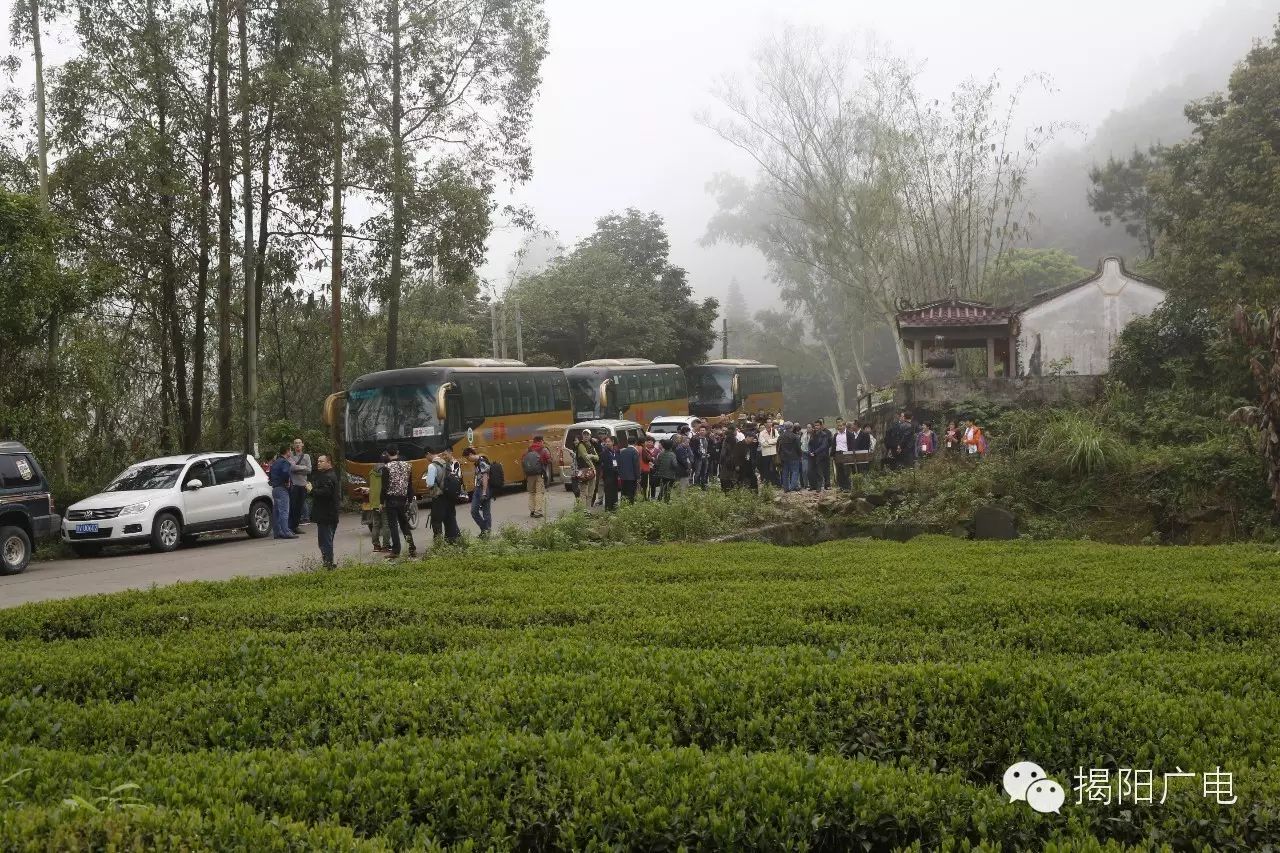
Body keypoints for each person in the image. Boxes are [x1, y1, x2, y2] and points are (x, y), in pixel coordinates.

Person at [380, 446, 417, 559]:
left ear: (387, 454)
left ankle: (396, 550)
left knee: (393, 526)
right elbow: (410, 486)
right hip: (403, 499)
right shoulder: (407, 466)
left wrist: (381, 502)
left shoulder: (386, 468)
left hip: (391, 500)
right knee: (404, 524)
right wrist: (410, 500)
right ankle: (412, 548)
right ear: (398, 452)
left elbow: (384, 487)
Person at [423, 450, 461, 544]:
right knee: (450, 518)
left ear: (428, 454)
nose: (426, 458)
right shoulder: (446, 462)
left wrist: (428, 481)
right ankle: (453, 542)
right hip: (450, 495)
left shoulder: (432, 466)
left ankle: (438, 544)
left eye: (425, 456)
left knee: (436, 521)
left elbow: (430, 483)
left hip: (439, 497)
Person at [310, 454, 340, 569]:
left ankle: (328, 564)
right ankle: (327, 562)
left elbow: (325, 493)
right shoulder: (328, 475)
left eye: (321, 461)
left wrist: (312, 490)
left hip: (326, 515)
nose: (319, 463)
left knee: (325, 541)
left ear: (329, 463)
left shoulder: (328, 476)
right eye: (318, 461)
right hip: (328, 514)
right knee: (325, 541)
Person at [359, 451, 391, 552]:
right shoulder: (387, 471)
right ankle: (386, 546)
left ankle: (376, 546)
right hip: (383, 500)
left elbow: (372, 486)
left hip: (373, 501)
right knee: (386, 524)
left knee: (376, 524)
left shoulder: (371, 472)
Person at [462, 447, 492, 536]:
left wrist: (484, 492)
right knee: (474, 511)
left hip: (483, 489)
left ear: (471, 455)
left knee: (486, 512)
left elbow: (485, 477)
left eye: (467, 457)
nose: (468, 460)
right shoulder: (477, 462)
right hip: (478, 488)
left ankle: (486, 532)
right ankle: (485, 529)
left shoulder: (482, 461)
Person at [268, 447, 295, 539]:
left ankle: (277, 531)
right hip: (282, 488)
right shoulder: (285, 462)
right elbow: (285, 472)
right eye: (290, 450)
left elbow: (270, 474)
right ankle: (286, 531)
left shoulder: (275, 462)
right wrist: (287, 482)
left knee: (277, 511)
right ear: (287, 451)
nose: (291, 452)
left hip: (275, 488)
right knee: (284, 510)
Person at [522, 435, 552, 519]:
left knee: (532, 492)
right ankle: (538, 511)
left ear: (534, 441)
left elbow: (523, 460)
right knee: (539, 492)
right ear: (541, 441)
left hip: (529, 475)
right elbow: (549, 460)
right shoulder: (543, 449)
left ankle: (532, 510)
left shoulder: (528, 450)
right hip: (539, 474)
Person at [287, 438, 312, 534]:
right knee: (292, 506)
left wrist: (298, 469)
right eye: (296, 443)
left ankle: (296, 526)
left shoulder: (306, 456)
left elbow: (309, 470)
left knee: (300, 506)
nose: (297, 445)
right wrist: (303, 467)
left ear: (302, 445)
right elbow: (291, 468)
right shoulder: (291, 456)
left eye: (299, 443)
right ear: (293, 446)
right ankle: (290, 526)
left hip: (303, 484)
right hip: (294, 484)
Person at [574, 429, 598, 507]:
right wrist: (593, 467)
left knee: (591, 492)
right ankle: (583, 511)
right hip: (584, 472)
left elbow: (597, 458)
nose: (586, 436)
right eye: (584, 434)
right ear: (582, 436)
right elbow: (585, 458)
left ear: (590, 436)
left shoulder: (591, 445)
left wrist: (591, 456)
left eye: (587, 435)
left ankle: (588, 511)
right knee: (583, 492)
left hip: (591, 471)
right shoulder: (581, 445)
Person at [808, 418, 831, 491]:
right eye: (815, 425)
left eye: (817, 425)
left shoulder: (824, 435)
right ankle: (812, 486)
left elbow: (823, 446)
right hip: (812, 455)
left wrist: (815, 452)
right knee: (810, 471)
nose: (816, 427)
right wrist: (810, 452)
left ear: (821, 426)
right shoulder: (813, 434)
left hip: (820, 455)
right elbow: (810, 444)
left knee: (819, 472)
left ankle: (819, 487)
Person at [778, 423, 802, 492]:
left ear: (785, 428)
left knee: (785, 472)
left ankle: (786, 488)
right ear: (792, 428)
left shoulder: (781, 436)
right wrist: (800, 455)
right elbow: (798, 447)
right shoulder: (795, 436)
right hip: (794, 457)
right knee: (795, 472)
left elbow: (778, 447)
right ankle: (792, 487)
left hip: (784, 457)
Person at [598, 435, 620, 511]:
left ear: (613, 442)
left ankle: (615, 508)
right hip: (607, 476)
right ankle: (608, 509)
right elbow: (602, 465)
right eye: (606, 442)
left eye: (609, 442)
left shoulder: (616, 452)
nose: (607, 443)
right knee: (608, 493)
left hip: (615, 475)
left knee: (614, 492)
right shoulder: (603, 453)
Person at [617, 435, 640, 504]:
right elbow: (636, 465)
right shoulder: (635, 451)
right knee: (631, 493)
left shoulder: (623, 451)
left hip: (623, 476)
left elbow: (620, 463)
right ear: (635, 442)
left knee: (624, 493)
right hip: (632, 477)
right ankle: (630, 506)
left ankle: (623, 505)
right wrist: (638, 477)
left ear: (628, 442)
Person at [757, 420, 779, 486]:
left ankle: (775, 483)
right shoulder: (762, 433)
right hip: (765, 453)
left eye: (770, 422)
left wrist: (768, 441)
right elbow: (763, 443)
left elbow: (777, 439)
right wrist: (772, 443)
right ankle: (767, 483)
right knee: (766, 469)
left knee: (774, 469)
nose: (770, 423)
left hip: (773, 453)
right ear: (765, 424)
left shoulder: (775, 431)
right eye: (768, 422)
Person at [798, 424, 811, 489]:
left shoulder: (814, 435)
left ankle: (812, 483)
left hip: (812, 454)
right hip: (804, 454)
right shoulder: (803, 435)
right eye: (807, 427)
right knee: (804, 470)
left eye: (809, 427)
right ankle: (806, 484)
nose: (808, 428)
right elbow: (801, 444)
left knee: (811, 470)